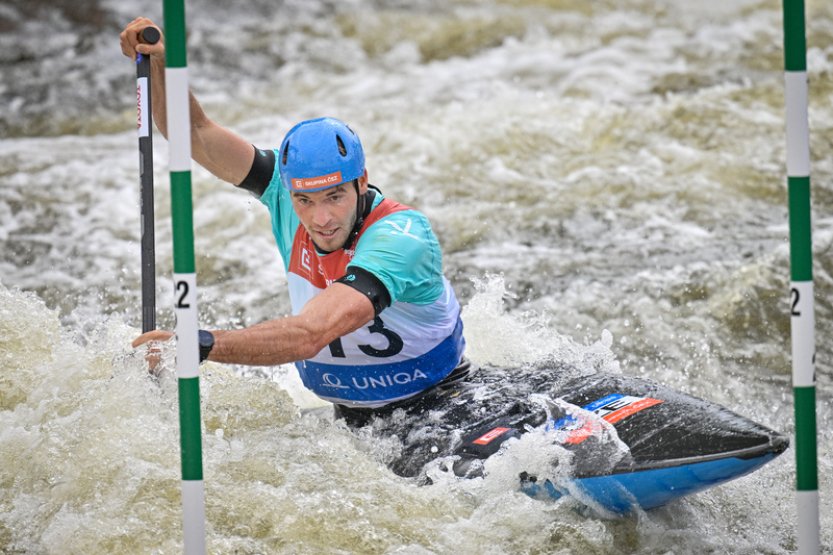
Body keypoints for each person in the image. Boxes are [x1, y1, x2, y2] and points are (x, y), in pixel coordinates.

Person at [122, 18, 469, 415]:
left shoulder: (401, 238)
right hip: (350, 417)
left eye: (334, 196)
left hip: (441, 403)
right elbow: (195, 134)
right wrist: (162, 65)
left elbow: (310, 335)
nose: (320, 218)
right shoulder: (282, 192)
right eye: (304, 200)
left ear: (362, 183)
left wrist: (199, 345)